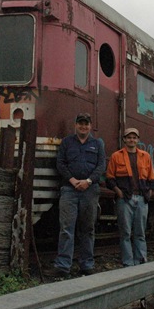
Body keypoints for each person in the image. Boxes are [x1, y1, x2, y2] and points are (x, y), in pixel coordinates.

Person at [46, 112, 106, 278]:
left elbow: (101, 166)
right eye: (80, 123)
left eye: (86, 124)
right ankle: (63, 266)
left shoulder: (98, 144)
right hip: (69, 190)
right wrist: (72, 180)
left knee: (87, 229)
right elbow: (60, 163)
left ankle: (87, 265)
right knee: (66, 228)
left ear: (90, 126)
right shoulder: (67, 142)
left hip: (90, 190)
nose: (83, 126)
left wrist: (88, 181)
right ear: (76, 125)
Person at [105, 127, 154, 267]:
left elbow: (152, 178)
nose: (131, 140)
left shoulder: (145, 156)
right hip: (124, 199)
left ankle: (141, 260)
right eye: (129, 137)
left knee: (140, 232)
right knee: (125, 233)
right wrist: (119, 192)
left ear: (138, 140)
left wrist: (149, 194)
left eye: (134, 137)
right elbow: (109, 178)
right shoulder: (116, 156)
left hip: (141, 199)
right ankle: (128, 262)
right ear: (124, 139)